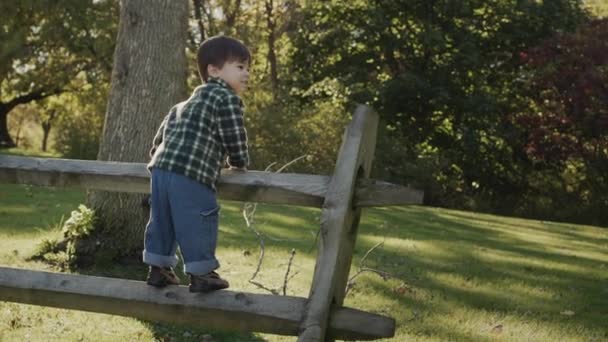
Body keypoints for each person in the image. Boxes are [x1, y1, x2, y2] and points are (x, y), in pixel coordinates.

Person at [143, 35, 250, 293]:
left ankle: (158, 269)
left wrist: (159, 157)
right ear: (213, 70)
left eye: (248, 68)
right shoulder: (226, 98)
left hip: (161, 171)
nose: (246, 74)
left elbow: (159, 140)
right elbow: (233, 134)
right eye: (240, 67)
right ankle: (202, 274)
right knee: (199, 219)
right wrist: (239, 162)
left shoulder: (182, 105)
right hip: (191, 174)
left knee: (162, 219)